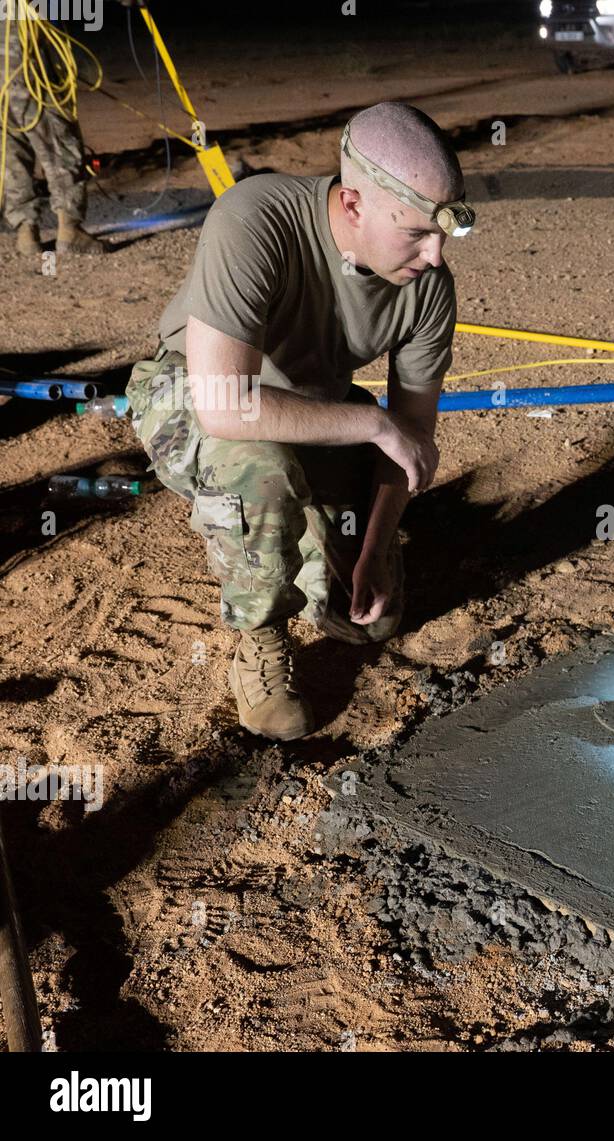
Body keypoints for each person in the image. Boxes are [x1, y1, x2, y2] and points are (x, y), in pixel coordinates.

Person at [126, 101, 467, 740]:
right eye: (418, 233)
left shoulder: (428, 287)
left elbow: (412, 439)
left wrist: (374, 548)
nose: (435, 254)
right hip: (192, 392)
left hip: (312, 408)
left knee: (366, 621)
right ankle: (259, 636)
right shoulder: (256, 216)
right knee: (260, 464)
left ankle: (305, 531)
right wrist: (375, 426)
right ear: (354, 204)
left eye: (444, 233)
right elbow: (224, 403)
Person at [1, 2, 108, 255]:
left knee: (10, 138)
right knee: (56, 136)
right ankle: (69, 229)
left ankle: (26, 232)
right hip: (21, 47)